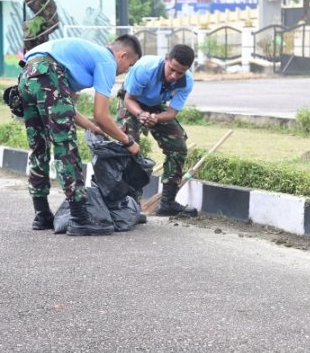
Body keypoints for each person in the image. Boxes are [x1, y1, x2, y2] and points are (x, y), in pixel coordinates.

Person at [18, 35, 143, 235]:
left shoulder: (78, 58)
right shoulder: (106, 61)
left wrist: (91, 127)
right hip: (47, 74)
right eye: (130, 65)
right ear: (123, 55)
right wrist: (128, 141)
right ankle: (79, 217)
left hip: (28, 75)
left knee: (38, 146)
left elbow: (66, 108)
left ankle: (41, 214)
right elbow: (101, 115)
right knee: (65, 145)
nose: (126, 70)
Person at [118, 44, 198, 217]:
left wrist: (156, 117)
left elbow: (171, 112)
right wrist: (140, 114)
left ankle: (167, 203)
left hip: (155, 105)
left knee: (178, 147)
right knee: (130, 146)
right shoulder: (145, 68)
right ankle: (131, 204)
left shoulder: (187, 82)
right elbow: (129, 99)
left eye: (180, 73)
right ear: (166, 58)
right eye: (172, 70)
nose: (174, 76)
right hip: (132, 102)